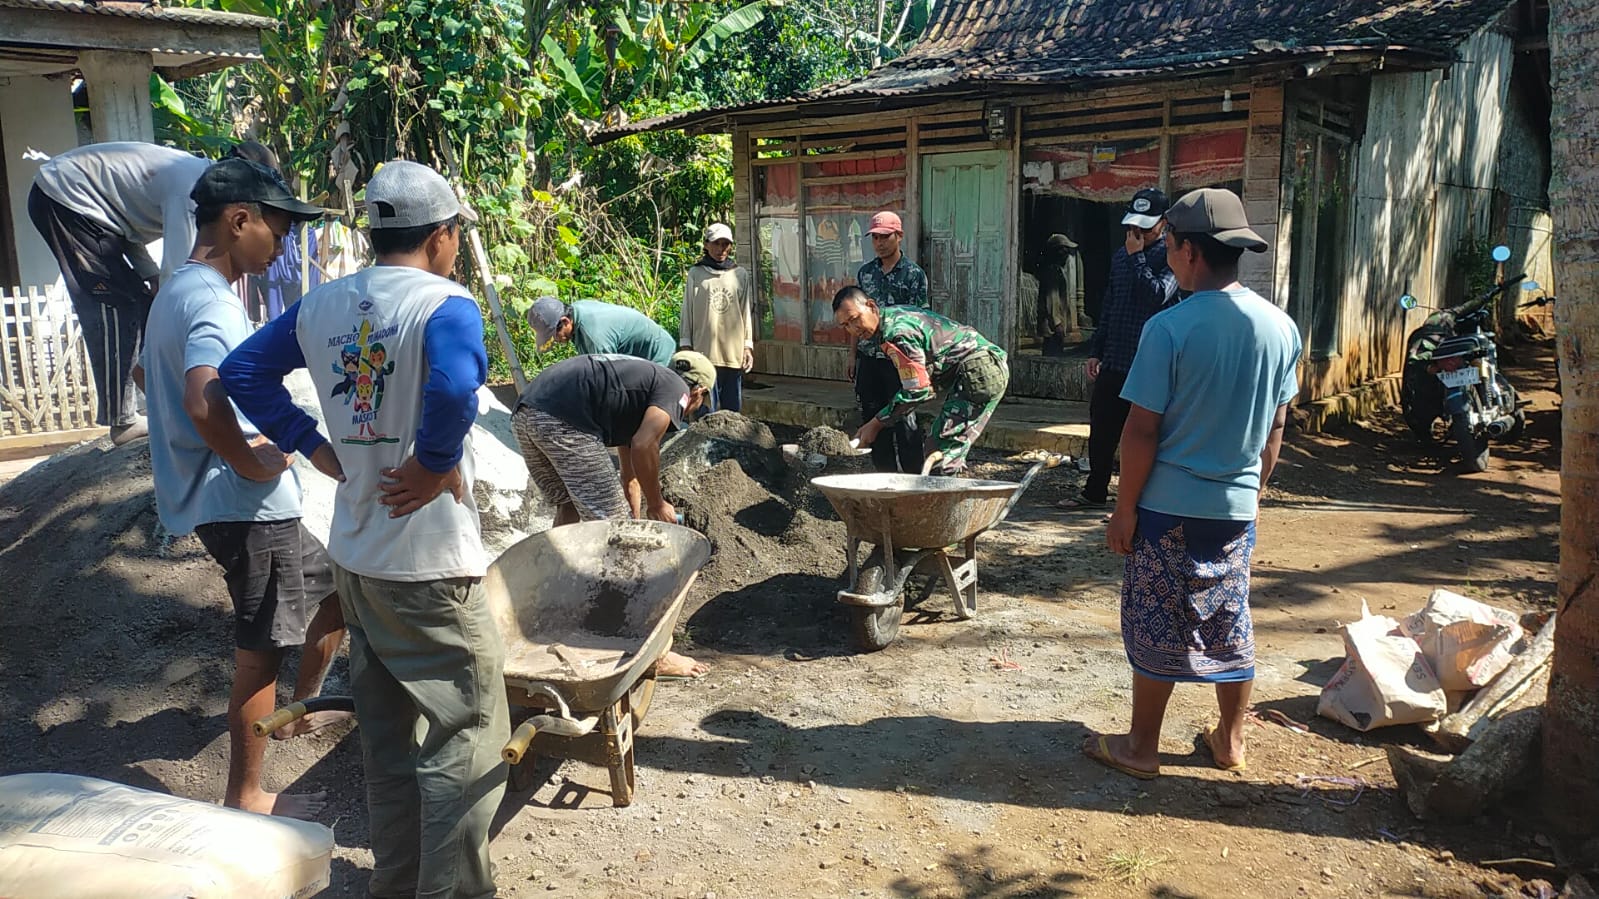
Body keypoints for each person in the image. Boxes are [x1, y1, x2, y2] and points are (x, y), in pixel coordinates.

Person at [220, 159, 507, 899]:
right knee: (466, 738)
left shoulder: (325, 304)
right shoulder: (445, 303)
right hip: (429, 562)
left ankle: (397, 884)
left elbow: (243, 370)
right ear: (442, 237)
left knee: (386, 739)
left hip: (357, 559)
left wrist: (313, 443)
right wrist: (434, 460)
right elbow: (451, 387)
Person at [134, 158, 341, 820]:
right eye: (276, 232)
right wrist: (247, 460)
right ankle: (246, 794)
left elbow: (146, 375)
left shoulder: (174, 291)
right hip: (248, 506)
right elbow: (202, 399)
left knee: (333, 592)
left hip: (237, 501)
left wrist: (205, 439)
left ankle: (290, 717)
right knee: (261, 650)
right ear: (239, 219)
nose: (281, 247)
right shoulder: (212, 300)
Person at [1081, 187, 1301, 780]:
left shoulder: (1169, 328)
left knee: (1157, 617)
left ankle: (1141, 748)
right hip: (1235, 508)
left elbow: (1141, 431)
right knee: (1229, 616)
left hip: (1167, 509)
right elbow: (1276, 425)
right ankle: (1230, 743)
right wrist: (1253, 489)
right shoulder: (1281, 329)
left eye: (1171, 244)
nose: (1168, 254)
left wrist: (1123, 509)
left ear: (1188, 252)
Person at [27, 141, 277, 445]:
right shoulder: (193, 190)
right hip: (64, 194)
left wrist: (150, 275)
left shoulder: (197, 180)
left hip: (97, 213)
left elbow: (124, 223)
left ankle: (149, 398)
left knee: (140, 302)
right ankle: (123, 420)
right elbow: (183, 277)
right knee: (118, 306)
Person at [511, 350, 714, 678]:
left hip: (527, 412)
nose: (685, 414)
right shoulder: (674, 388)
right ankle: (650, 651)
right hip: (564, 420)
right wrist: (658, 503)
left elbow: (629, 474)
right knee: (613, 536)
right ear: (698, 393)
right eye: (695, 407)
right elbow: (645, 443)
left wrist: (634, 519)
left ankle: (557, 610)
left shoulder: (638, 387)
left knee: (570, 508)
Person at [1064, 188, 1178, 510]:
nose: (1137, 232)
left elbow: (1157, 295)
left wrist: (1137, 257)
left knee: (1143, 434)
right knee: (1101, 429)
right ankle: (1095, 491)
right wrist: (1095, 350)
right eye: (1134, 225)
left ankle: (1140, 500)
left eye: (1145, 226)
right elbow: (1110, 307)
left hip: (1151, 363)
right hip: (1115, 359)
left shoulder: (1170, 257)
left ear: (1164, 223)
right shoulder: (1120, 256)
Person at [833, 287, 1007, 476]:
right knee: (937, 447)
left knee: (943, 453)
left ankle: (947, 501)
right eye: (846, 325)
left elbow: (917, 391)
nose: (854, 329)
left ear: (871, 306)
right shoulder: (891, 318)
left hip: (979, 371)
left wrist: (876, 423)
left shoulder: (898, 335)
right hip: (975, 368)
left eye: (855, 318)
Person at [852, 210, 929, 474]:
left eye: (885, 237)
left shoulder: (913, 275)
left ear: (899, 236)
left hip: (899, 360)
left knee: (904, 419)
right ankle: (884, 477)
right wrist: (853, 357)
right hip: (869, 358)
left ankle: (914, 480)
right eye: (875, 238)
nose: (880, 243)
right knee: (873, 418)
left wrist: (921, 364)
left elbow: (922, 321)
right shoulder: (865, 274)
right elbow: (855, 319)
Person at [679, 222, 754, 412]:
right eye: (717, 243)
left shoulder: (740, 274)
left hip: (732, 352)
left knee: (732, 410)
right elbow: (687, 310)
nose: (721, 249)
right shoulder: (696, 274)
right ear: (706, 245)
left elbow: (746, 312)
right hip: (704, 352)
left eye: (725, 244)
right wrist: (685, 343)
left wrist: (747, 345)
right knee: (705, 409)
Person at [526, 295, 676, 365]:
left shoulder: (594, 336)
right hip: (633, 357)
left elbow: (609, 381)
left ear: (565, 321)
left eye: (555, 335)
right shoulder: (577, 312)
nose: (557, 341)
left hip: (658, 355)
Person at [1037, 233, 1087, 354]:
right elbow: (1052, 300)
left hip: (1054, 327)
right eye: (1064, 252)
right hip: (1052, 329)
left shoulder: (1057, 270)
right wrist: (1057, 323)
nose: (1067, 256)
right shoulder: (1053, 272)